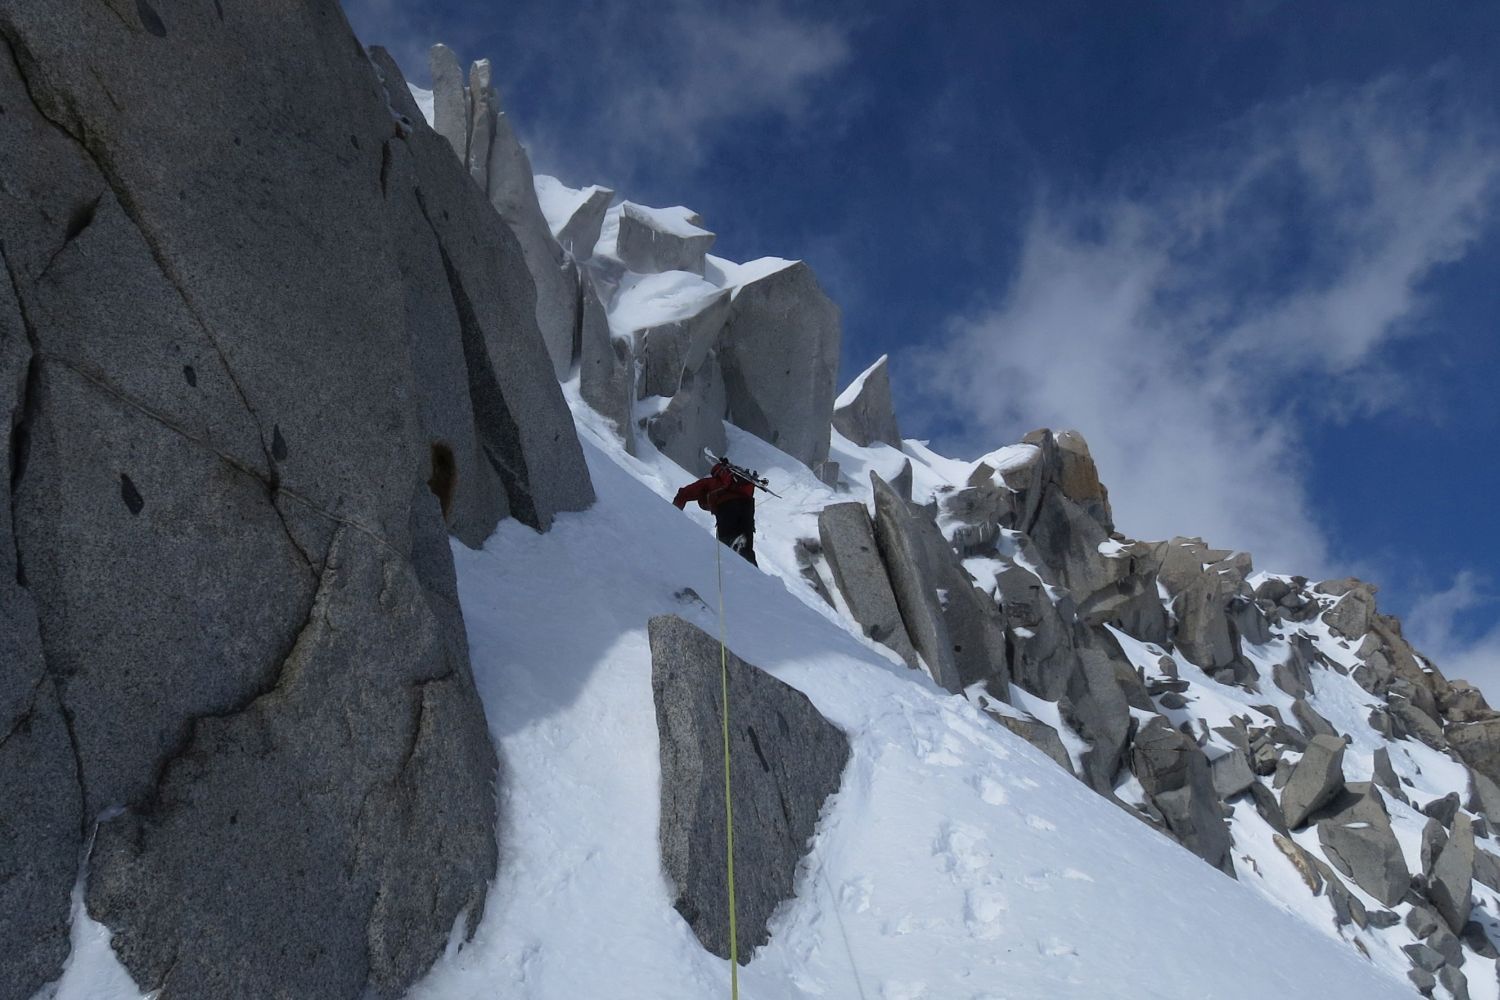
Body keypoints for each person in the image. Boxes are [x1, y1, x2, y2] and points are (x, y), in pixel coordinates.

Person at [673, 459, 758, 565]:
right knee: (747, 550)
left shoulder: (709, 483)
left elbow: (684, 493)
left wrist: (673, 512)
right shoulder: (735, 485)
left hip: (728, 507)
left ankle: (731, 568)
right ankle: (755, 576)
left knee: (725, 546)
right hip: (747, 507)